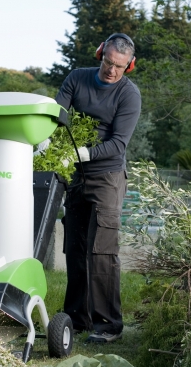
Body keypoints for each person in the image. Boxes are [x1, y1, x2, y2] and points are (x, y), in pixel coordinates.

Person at [53, 33, 142, 343]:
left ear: (129, 66)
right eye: (108, 62)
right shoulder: (76, 79)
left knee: (101, 251)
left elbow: (118, 144)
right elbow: (56, 116)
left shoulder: (129, 95)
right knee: (75, 248)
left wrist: (85, 153)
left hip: (107, 176)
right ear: (100, 54)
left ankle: (108, 326)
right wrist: (45, 139)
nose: (112, 71)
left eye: (119, 66)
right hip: (75, 175)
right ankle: (78, 319)